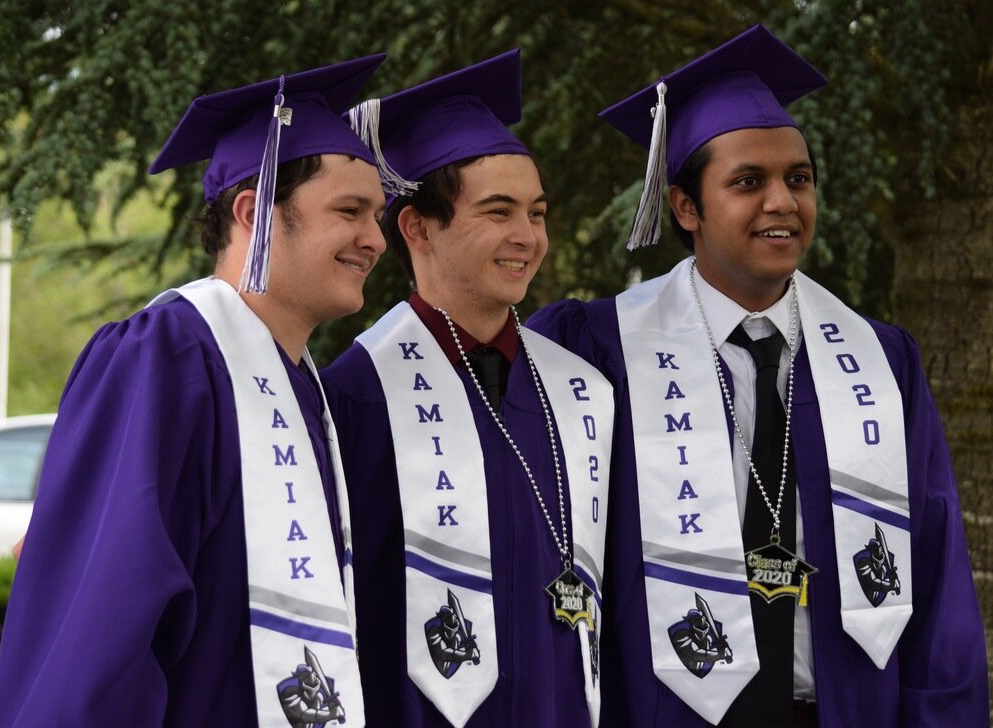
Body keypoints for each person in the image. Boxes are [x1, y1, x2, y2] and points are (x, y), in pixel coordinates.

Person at [528, 24, 988, 728]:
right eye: (748, 182)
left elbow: (935, 567)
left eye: (798, 179)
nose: (783, 202)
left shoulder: (880, 359)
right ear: (685, 207)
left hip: (840, 712)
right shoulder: (598, 351)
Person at [0, 56, 388, 726]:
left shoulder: (307, 391)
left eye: (379, 214)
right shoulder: (166, 358)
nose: (375, 239)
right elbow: (101, 622)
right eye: (349, 211)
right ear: (253, 212)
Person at [322, 50, 614, 727]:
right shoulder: (358, 397)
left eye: (537, 214)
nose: (527, 237)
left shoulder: (580, 392)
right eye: (499, 211)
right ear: (417, 227)